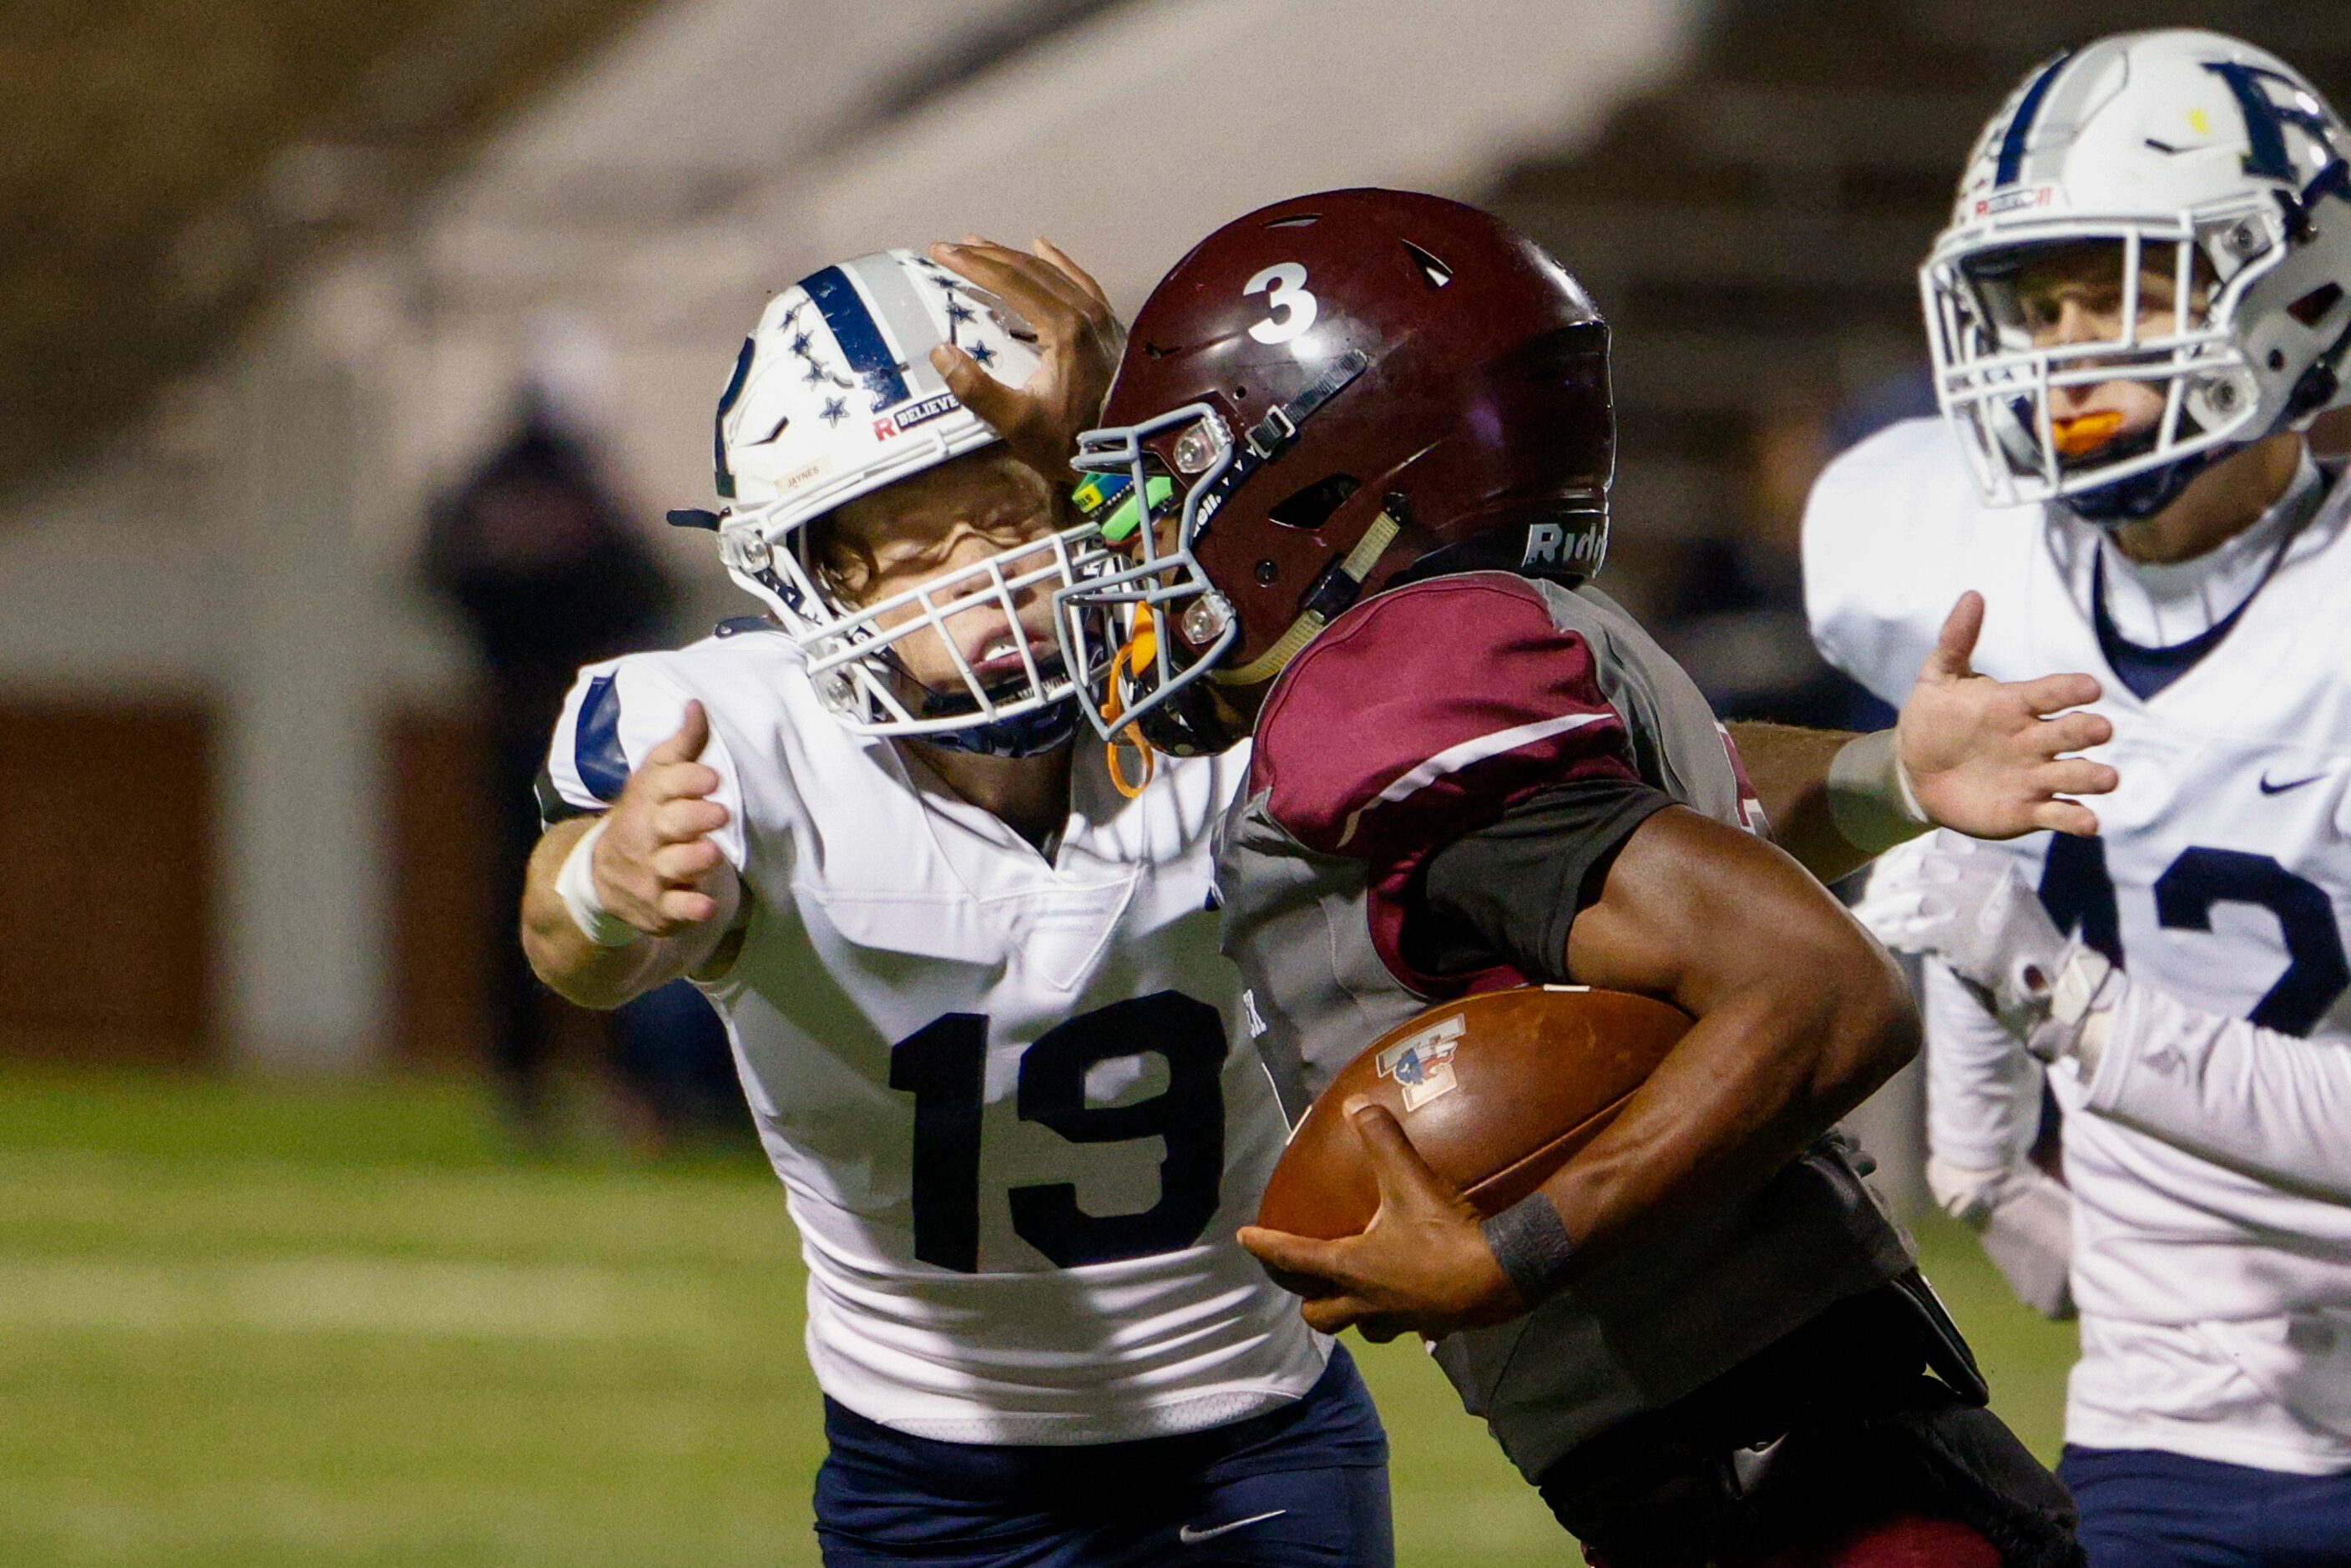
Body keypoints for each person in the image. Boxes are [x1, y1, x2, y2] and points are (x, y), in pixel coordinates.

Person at [1055, 187, 2095, 1567]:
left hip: (1797, 1490)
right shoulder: (1516, 641)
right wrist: (1883, 778)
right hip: (1823, 1451)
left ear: (1325, 483)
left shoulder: (1391, 694)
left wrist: (1516, 1251)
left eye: (1178, 480)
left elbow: (1820, 989)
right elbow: (1703, 814)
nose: (1138, 545)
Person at [518, 243, 1393, 1566]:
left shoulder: (1214, 696)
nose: (985, 579)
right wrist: (606, 881)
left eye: (1005, 516)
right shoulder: (745, 738)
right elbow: (566, 938)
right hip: (934, 1472)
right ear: (815, 578)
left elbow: (1413, 606)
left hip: (1253, 1429)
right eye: (912, 542)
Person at [1804, 30, 2351, 1566]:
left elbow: (2031, 949)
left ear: (2295, 287)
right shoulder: (1945, 551)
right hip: (2176, 1433)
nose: (2068, 347)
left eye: (2124, 287)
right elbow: (2007, 869)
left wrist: (2063, 999)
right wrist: (1985, 1162)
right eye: (2043, 301)